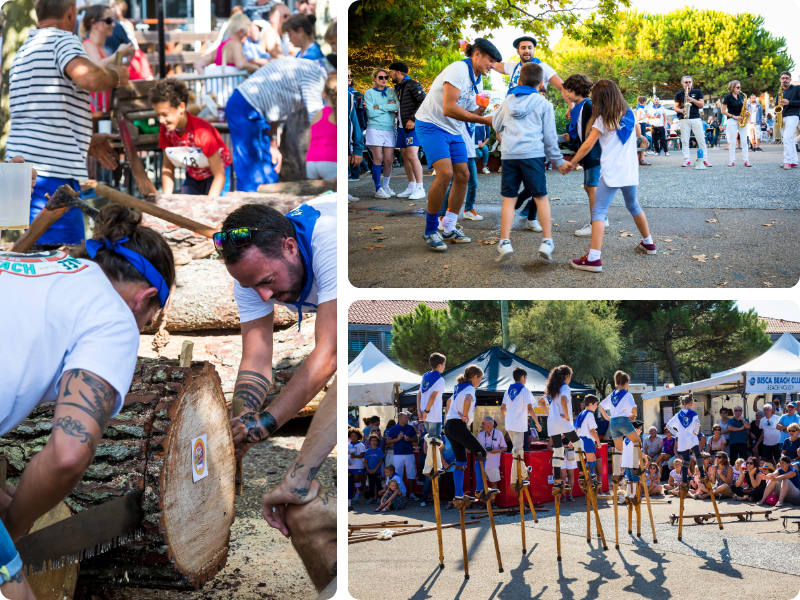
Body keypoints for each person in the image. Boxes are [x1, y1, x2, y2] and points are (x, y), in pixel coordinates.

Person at [0, 204, 175, 599]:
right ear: (145, 298)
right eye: (149, 320)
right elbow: (67, 455)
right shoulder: (112, 315)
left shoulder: (27, 266)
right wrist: (14, 525)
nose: (142, 329)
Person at [7, 0, 129, 247]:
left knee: (30, 262)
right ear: (71, 11)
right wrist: (117, 76)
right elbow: (89, 78)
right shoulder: (63, 40)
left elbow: (43, 115)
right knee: (58, 262)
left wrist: (86, 142)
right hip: (50, 177)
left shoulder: (24, 49)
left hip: (21, 172)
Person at [413, 38, 498, 251]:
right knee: (445, 173)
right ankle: (431, 230)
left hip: (453, 129)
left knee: (463, 175)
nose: (493, 65)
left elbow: (467, 114)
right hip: (431, 125)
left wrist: (484, 111)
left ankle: (449, 226)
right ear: (476, 54)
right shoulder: (458, 69)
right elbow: (449, 108)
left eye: (495, 62)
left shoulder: (477, 80)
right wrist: (484, 120)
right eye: (490, 59)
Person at [565, 79, 656, 273]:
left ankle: (593, 258)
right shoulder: (629, 114)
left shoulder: (602, 119)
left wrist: (572, 163)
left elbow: (588, 145)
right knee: (633, 205)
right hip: (630, 170)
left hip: (611, 172)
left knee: (598, 212)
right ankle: (649, 243)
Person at [492, 62, 567, 263]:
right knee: (540, 197)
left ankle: (505, 241)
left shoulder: (508, 100)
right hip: (533, 154)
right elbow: (550, 137)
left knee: (509, 199)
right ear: (541, 84)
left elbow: (496, 124)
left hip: (509, 155)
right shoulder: (544, 104)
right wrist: (558, 161)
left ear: (518, 81)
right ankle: (547, 241)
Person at [225, 57, 324, 190]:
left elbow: (276, 110)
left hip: (259, 112)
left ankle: (269, 205)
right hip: (245, 106)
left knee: (270, 169)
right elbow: (316, 116)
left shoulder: (308, 68)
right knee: (251, 172)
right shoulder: (314, 73)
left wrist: (273, 142)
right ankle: (251, 206)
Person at [150, 79, 232, 197]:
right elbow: (168, 167)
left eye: (165, 114)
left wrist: (210, 205)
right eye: (158, 115)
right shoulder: (166, 130)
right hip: (194, 174)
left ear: (181, 107)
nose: (161, 120)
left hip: (216, 173)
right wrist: (166, 199)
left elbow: (219, 175)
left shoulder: (202, 132)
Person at [560, 74, 607, 238]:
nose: (565, 93)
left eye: (568, 90)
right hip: (589, 153)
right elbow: (580, 131)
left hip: (593, 152)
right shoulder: (581, 106)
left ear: (576, 90)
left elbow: (595, 130)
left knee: (591, 186)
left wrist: (574, 161)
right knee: (589, 186)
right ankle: (601, 218)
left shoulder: (588, 105)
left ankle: (596, 223)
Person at [444, 365, 490, 507]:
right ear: (475, 377)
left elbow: (448, 402)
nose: (480, 382)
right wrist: (464, 415)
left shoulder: (458, 387)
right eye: (480, 379)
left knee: (461, 459)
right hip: (458, 425)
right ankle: (480, 489)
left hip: (449, 425)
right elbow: (468, 399)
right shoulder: (470, 388)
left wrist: (452, 415)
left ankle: (458, 495)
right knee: (481, 453)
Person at [537, 365, 584, 496]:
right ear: (567, 376)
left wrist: (550, 413)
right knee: (578, 444)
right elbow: (563, 399)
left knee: (558, 450)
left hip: (552, 422)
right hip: (563, 421)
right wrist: (567, 415)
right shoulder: (565, 387)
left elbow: (540, 402)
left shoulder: (552, 389)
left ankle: (557, 481)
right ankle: (581, 474)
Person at [79, 4, 133, 112]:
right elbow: (98, 66)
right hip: (93, 112)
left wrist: (125, 55)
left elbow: (117, 73)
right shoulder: (88, 45)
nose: (113, 25)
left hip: (104, 110)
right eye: (108, 20)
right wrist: (119, 54)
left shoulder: (105, 51)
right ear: (94, 24)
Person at [388, 61, 427, 200]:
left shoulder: (412, 84)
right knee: (405, 156)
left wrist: (412, 119)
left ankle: (420, 188)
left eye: (391, 72)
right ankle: (411, 186)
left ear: (398, 72)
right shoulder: (400, 87)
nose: (389, 74)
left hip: (413, 126)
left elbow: (424, 101)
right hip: (402, 126)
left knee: (411, 155)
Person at [501, 368, 542, 488]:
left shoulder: (507, 390)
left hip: (510, 424)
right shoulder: (525, 390)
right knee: (519, 452)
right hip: (519, 425)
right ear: (523, 377)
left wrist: (508, 419)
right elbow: (530, 409)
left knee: (516, 450)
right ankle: (516, 478)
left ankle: (522, 472)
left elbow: (502, 408)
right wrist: (537, 424)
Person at [364, 68, 399, 198]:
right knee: (378, 159)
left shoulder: (391, 91)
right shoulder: (368, 93)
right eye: (380, 77)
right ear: (374, 79)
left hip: (389, 128)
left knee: (389, 160)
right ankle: (378, 188)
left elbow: (396, 107)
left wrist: (380, 107)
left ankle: (385, 186)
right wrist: (387, 108)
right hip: (374, 128)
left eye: (386, 77)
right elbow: (371, 114)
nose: (384, 80)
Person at [666, 393, 709, 497]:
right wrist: (696, 431)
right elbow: (697, 422)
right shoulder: (693, 413)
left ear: (682, 404)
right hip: (692, 438)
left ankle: (684, 479)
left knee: (685, 460)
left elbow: (668, 425)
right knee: (698, 455)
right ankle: (702, 474)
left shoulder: (678, 415)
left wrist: (677, 434)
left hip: (682, 440)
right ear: (691, 403)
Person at [194, 12, 262, 74]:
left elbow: (198, 64)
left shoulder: (221, 47)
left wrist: (206, 81)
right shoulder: (236, 44)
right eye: (248, 32)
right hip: (231, 86)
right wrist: (256, 68)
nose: (249, 35)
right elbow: (240, 64)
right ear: (241, 31)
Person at [598, 371, 640, 462]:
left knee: (618, 448)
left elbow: (600, 406)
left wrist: (607, 417)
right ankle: (636, 466)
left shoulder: (611, 396)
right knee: (637, 442)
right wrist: (634, 415)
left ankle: (616, 472)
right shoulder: (628, 395)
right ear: (627, 383)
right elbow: (634, 408)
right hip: (623, 421)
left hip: (612, 422)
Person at [418, 352, 446, 475]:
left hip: (425, 414)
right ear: (439, 365)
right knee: (435, 442)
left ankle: (434, 466)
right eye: (444, 364)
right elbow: (433, 397)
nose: (444, 367)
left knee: (431, 441)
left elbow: (419, 394)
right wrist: (427, 411)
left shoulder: (424, 376)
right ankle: (432, 467)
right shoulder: (440, 379)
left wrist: (420, 411)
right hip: (433, 415)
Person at [674, 74, 712, 167]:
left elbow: (701, 105)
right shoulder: (679, 94)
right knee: (685, 140)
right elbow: (675, 107)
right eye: (686, 82)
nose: (688, 84)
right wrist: (681, 110)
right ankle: (687, 159)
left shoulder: (698, 92)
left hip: (696, 118)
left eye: (689, 82)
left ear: (692, 83)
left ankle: (704, 159)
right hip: (684, 118)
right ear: (682, 83)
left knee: (701, 139)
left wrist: (692, 100)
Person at [305, 73, 337, 180]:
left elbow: (309, 141)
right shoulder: (337, 114)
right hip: (331, 161)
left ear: (324, 94)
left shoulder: (317, 114)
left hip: (311, 162)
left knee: (317, 196)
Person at [386, 411, 419, 497]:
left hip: (409, 454)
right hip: (397, 455)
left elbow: (416, 440)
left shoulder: (411, 428)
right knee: (397, 475)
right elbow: (388, 441)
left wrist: (410, 439)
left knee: (411, 474)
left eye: (408, 418)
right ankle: (399, 494)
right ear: (400, 419)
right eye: (406, 418)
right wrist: (397, 439)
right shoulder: (393, 428)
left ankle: (411, 494)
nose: (408, 419)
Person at [476, 417, 506, 505]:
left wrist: (497, 450)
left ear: (490, 424)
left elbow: (505, 447)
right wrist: (482, 449)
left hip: (493, 464)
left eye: (483, 423)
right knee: (483, 485)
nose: (482, 425)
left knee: (494, 485)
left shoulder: (499, 434)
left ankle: (493, 503)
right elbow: (476, 448)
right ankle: (484, 503)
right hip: (482, 463)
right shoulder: (480, 435)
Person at [721, 81, 752, 167]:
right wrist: (734, 116)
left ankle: (746, 160)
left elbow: (743, 108)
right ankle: (732, 160)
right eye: (737, 87)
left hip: (742, 119)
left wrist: (745, 108)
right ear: (732, 88)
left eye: (740, 87)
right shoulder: (728, 97)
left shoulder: (741, 96)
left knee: (744, 141)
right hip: (732, 120)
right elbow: (722, 111)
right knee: (732, 141)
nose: (739, 89)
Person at [575, 394, 602, 485]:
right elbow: (592, 430)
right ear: (590, 404)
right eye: (596, 404)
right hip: (587, 439)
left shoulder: (581, 413)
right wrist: (598, 441)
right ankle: (589, 479)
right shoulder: (590, 414)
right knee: (590, 459)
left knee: (593, 457)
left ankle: (591, 477)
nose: (596, 406)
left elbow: (576, 428)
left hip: (580, 439)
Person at [777, 71, 799, 169]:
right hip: (782, 116)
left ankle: (787, 161)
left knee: (787, 137)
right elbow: (776, 106)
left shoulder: (797, 88)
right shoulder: (780, 92)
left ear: (790, 79)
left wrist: (789, 102)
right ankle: (794, 161)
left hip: (793, 115)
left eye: (786, 78)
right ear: (780, 80)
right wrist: (776, 115)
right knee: (788, 139)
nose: (784, 80)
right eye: (783, 78)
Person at [620, 422, 644, 499]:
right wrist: (646, 458)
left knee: (630, 480)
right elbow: (639, 452)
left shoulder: (625, 438)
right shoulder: (635, 439)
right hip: (634, 463)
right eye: (640, 429)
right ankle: (633, 495)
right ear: (636, 429)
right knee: (635, 480)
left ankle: (628, 494)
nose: (641, 431)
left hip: (626, 462)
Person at [758, 403, 782, 467]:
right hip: (766, 443)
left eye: (768, 409)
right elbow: (763, 433)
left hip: (777, 443)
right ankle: (770, 472)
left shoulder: (778, 418)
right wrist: (757, 444)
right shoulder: (762, 420)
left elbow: (781, 430)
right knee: (767, 461)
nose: (766, 411)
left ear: (771, 410)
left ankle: (779, 472)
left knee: (778, 459)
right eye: (765, 410)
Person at [348, 428, 366, 505]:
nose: (353, 437)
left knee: (357, 481)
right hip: (348, 466)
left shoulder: (360, 445)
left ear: (358, 437)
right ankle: (349, 497)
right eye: (352, 436)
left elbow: (363, 455)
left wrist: (355, 456)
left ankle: (356, 497)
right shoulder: (348, 445)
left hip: (358, 466)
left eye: (355, 436)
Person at [634, 95, 652, 165]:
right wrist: (646, 116)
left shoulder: (640, 108)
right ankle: (641, 159)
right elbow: (639, 118)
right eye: (646, 101)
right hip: (641, 125)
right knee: (644, 140)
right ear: (644, 102)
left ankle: (641, 158)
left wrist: (646, 114)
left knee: (645, 140)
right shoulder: (640, 109)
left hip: (643, 125)